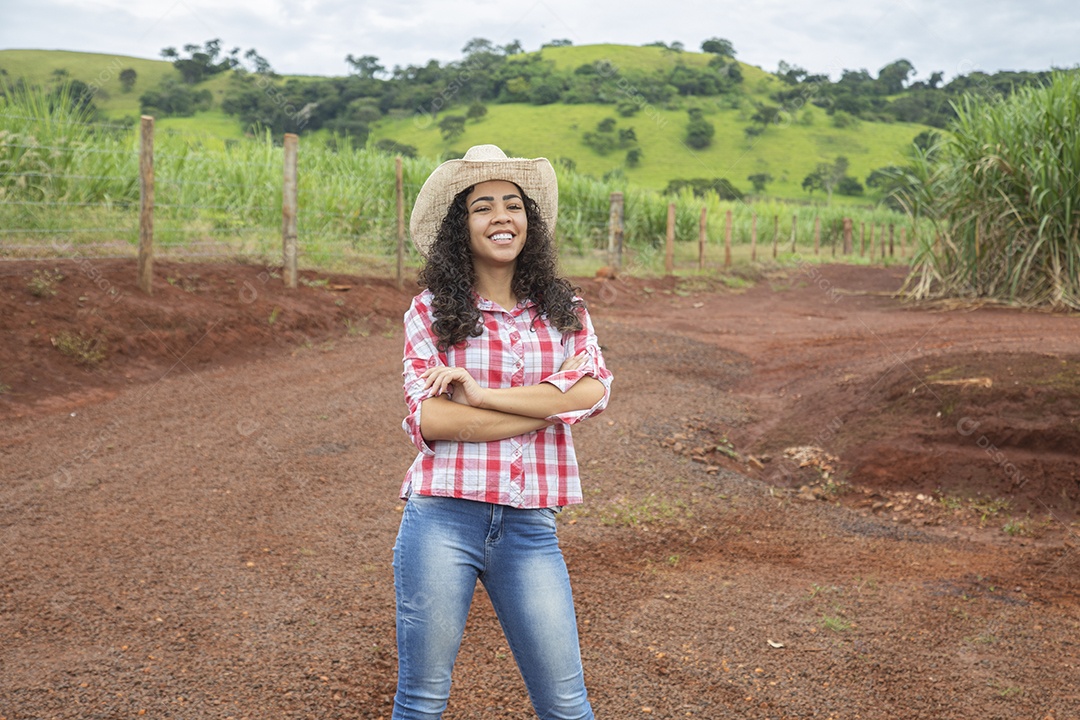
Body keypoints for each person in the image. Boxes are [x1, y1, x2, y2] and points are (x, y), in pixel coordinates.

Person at [394, 144, 613, 720]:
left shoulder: (563, 308)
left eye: (512, 205)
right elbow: (433, 419)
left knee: (566, 704)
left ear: (528, 221)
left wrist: (484, 397)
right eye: (481, 207)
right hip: (443, 517)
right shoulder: (431, 310)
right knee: (422, 700)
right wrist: (551, 405)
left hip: (529, 526)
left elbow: (596, 390)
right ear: (458, 227)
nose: (500, 218)